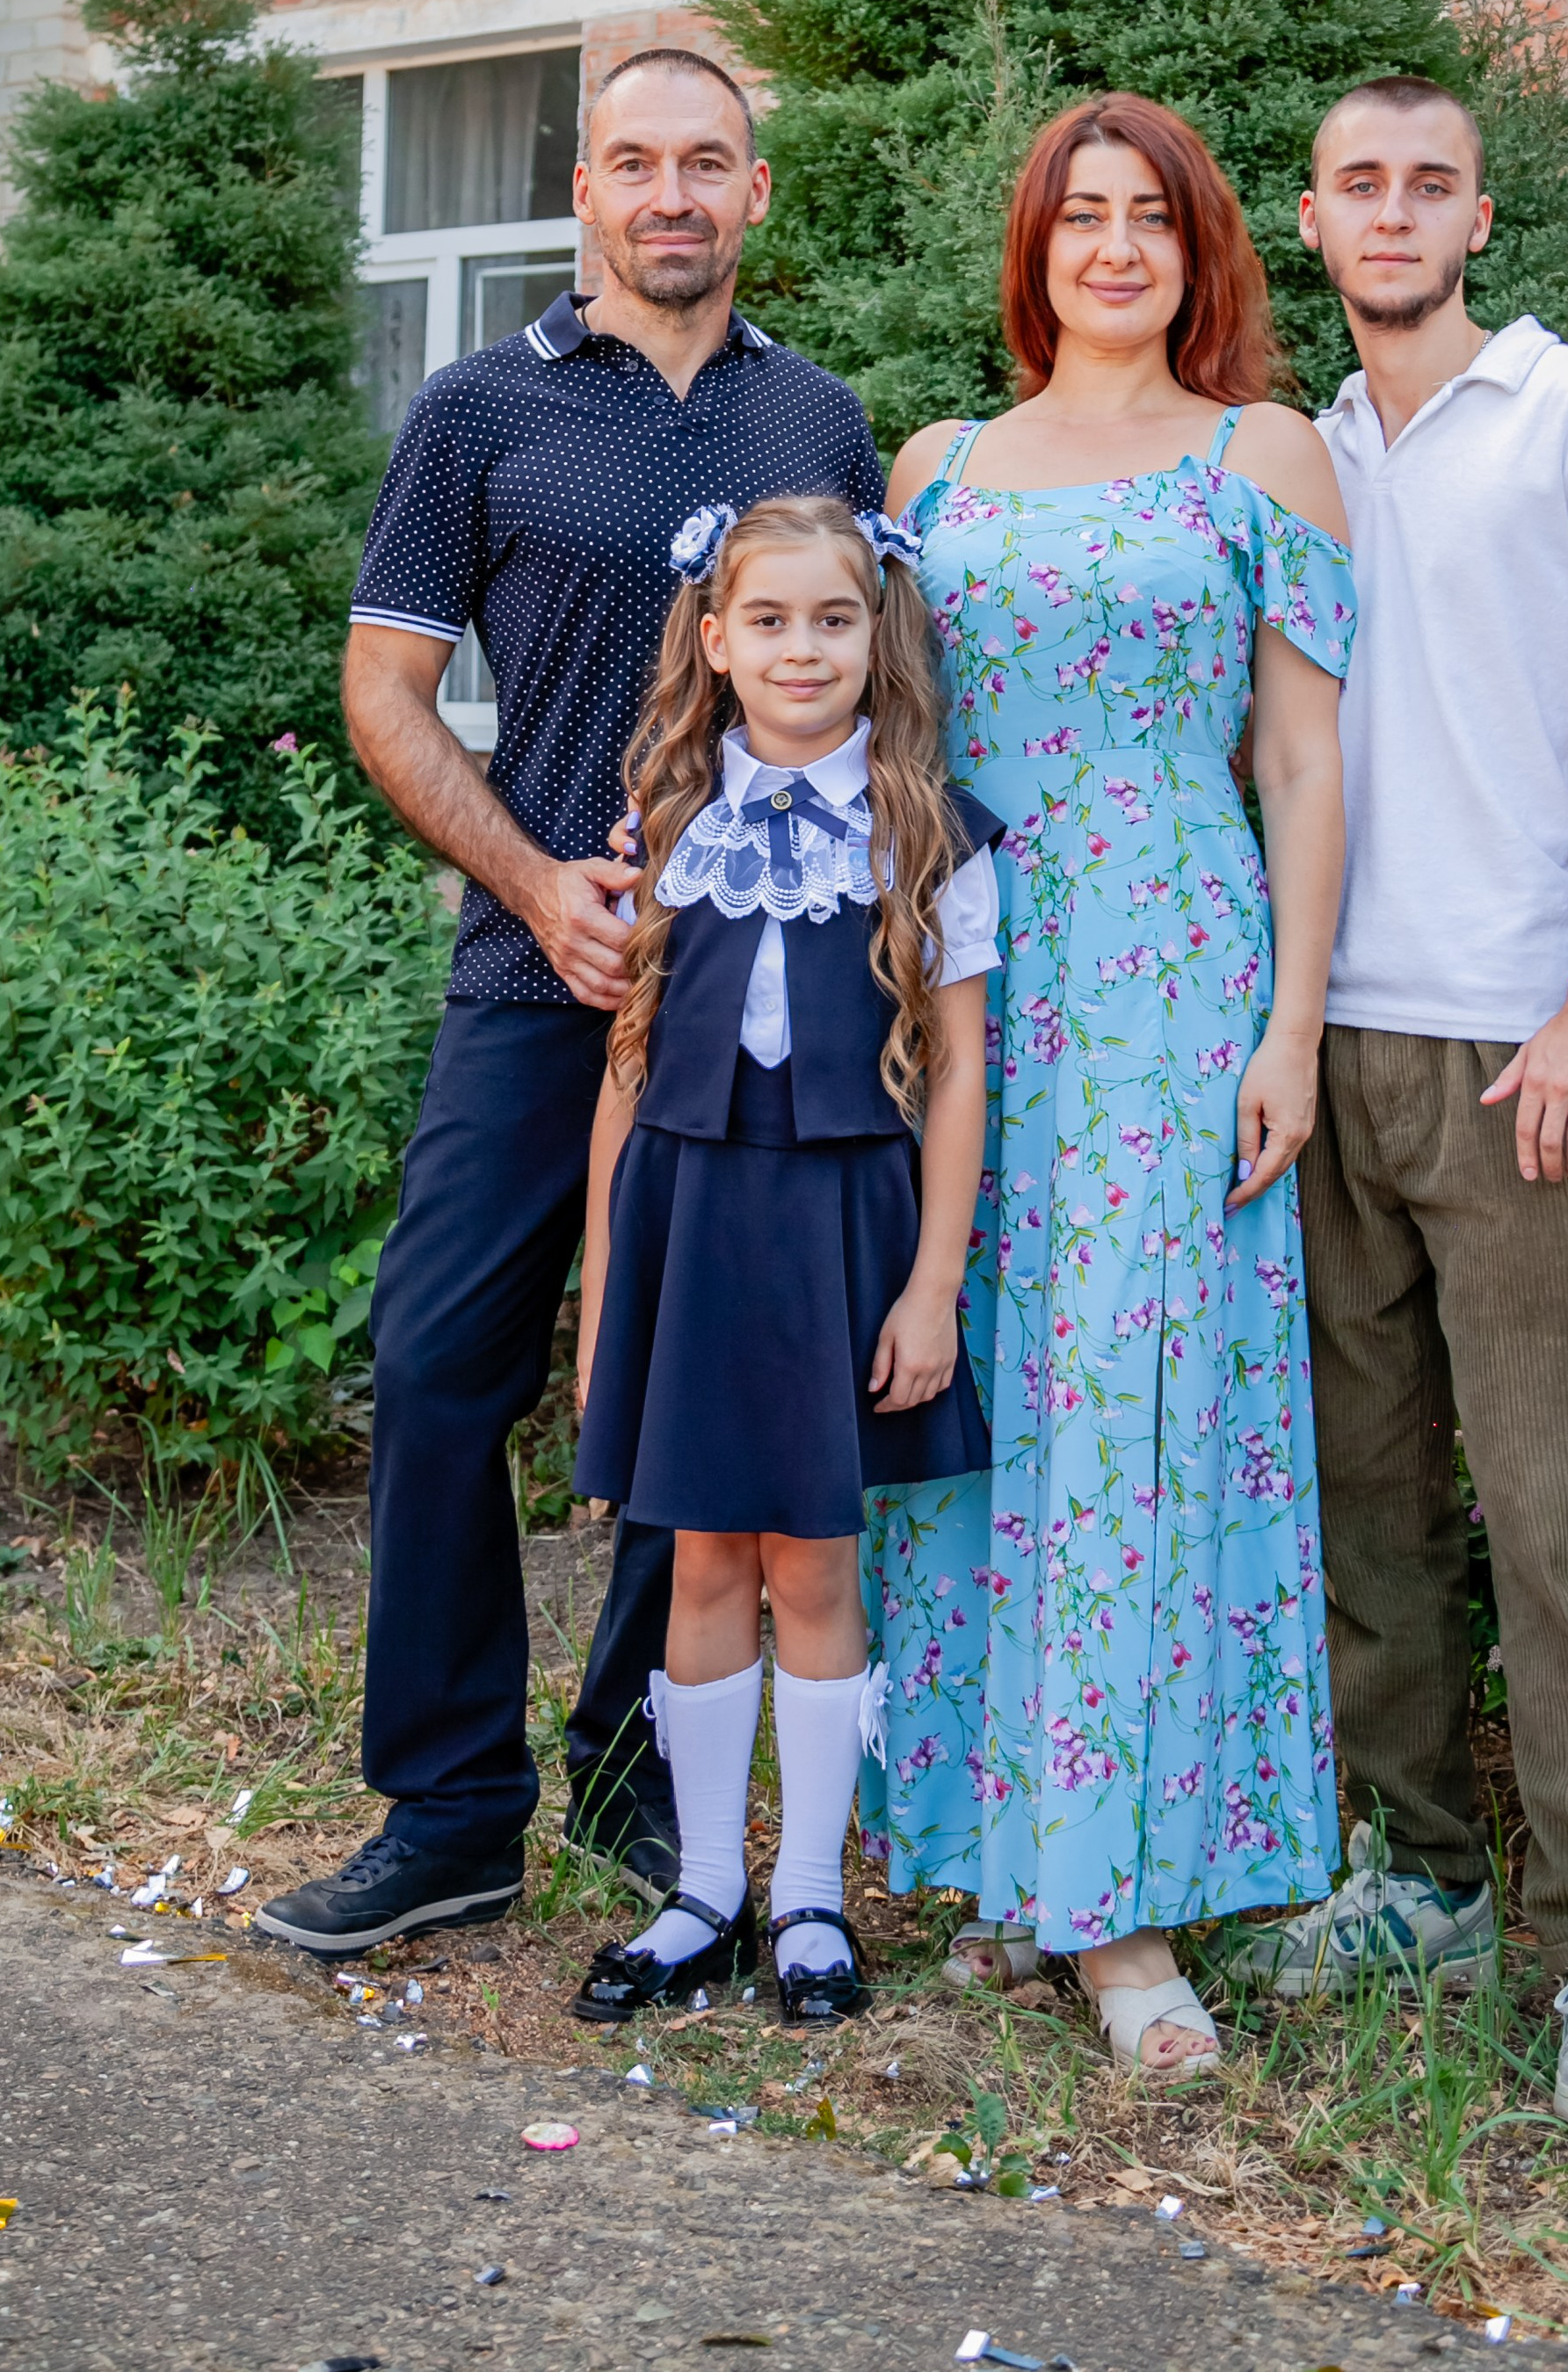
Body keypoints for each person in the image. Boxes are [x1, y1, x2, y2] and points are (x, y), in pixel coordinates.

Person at [257, 49, 884, 1960]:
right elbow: (384, 693)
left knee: (683, 1375)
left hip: (761, 995)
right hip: (542, 968)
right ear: (585, 194)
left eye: (706, 162)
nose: (670, 194)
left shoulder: (821, 418)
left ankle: (632, 1775)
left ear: (754, 194)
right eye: (634, 163)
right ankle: (449, 1810)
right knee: (445, 1355)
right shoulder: (476, 411)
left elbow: (863, 681)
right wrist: (538, 885)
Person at [1228, 74, 1568, 2136]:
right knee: (1362, 1504)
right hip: (1320, 1039)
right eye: (1360, 185)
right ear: (1314, 226)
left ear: (1479, 219)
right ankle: (1415, 1879)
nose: (1395, 213)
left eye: (1429, 183)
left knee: (1548, 1519)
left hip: (1518, 1045)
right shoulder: (1289, 448)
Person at [872, 92, 1357, 2077]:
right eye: (1078, 216)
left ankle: (1132, 1911)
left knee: (1145, 1412)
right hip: (978, 992)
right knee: (983, 1400)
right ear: (1034, 247)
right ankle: (1012, 1861)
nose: (1111, 249)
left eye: (1148, 217)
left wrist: (1291, 1028)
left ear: (1198, 249)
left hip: (1176, 985)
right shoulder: (940, 463)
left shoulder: (1268, 455)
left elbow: (1307, 767)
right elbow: (876, 728)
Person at [567, 494, 999, 2027]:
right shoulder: (666, 823)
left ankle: (808, 1898)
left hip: (840, 1236)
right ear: (714, 639)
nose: (802, 649)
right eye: (768, 621)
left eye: (833, 619)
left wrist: (935, 1281)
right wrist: (606, 1284)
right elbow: (627, 1068)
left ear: (877, 634)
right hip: (691, 1229)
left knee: (814, 1559)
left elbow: (960, 1073)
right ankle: (702, 1890)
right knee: (699, 1555)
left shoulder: (928, 837)